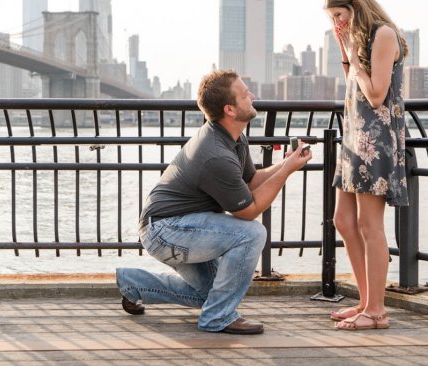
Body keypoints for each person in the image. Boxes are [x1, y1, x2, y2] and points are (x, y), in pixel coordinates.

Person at [116, 69, 311, 334]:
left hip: (180, 227)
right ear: (229, 109)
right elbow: (248, 212)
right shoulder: (216, 154)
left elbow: (251, 182)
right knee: (252, 234)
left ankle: (133, 283)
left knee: (210, 295)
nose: (252, 96)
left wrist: (286, 163)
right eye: (245, 95)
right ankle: (218, 318)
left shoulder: (234, 136)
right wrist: (287, 171)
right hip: (165, 231)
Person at [324, 0, 408, 330]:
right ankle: (365, 300)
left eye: (340, 15)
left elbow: (375, 95)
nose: (338, 23)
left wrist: (352, 49)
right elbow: (353, 80)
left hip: (376, 140)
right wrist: (346, 47)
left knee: (370, 224)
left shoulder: (384, 35)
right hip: (354, 138)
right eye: (333, 19)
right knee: (344, 220)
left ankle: (377, 312)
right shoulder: (360, 40)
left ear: (355, 5)